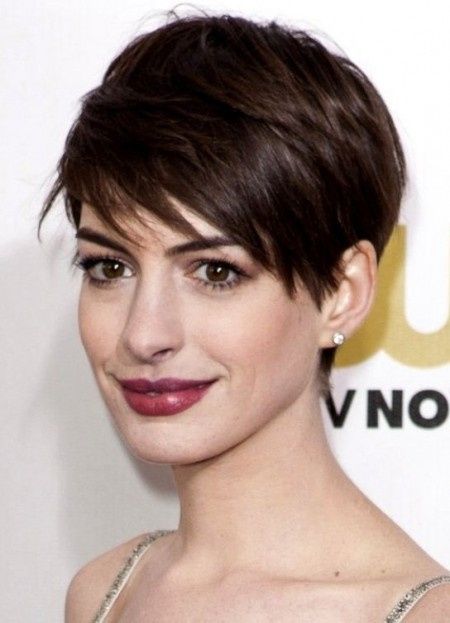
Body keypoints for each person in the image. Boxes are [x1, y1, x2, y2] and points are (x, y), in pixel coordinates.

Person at [38, 9, 450, 622]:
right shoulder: (103, 593)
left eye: (215, 272)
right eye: (110, 267)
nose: (144, 334)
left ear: (342, 292)